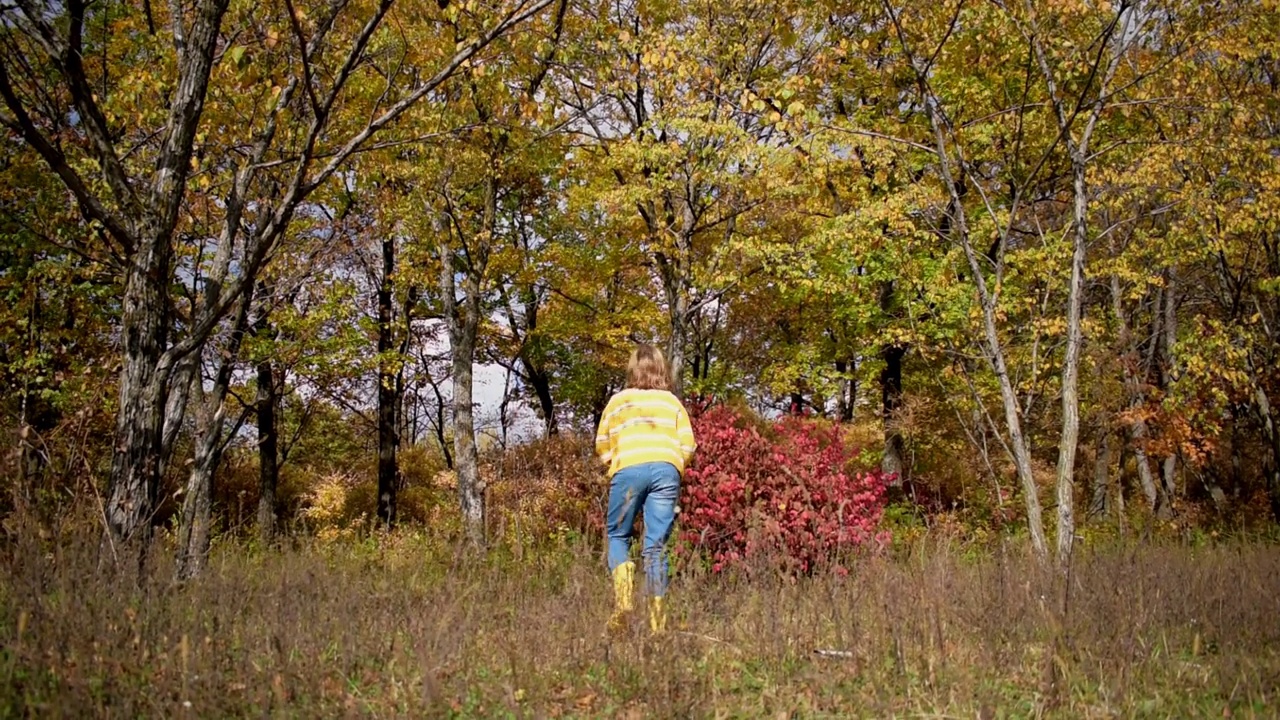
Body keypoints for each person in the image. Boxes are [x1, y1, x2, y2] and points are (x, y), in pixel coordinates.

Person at [594, 344, 697, 634]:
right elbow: (688, 444)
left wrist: (615, 462)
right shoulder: (672, 402)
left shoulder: (617, 402)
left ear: (633, 369)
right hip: (666, 470)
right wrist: (675, 466)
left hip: (628, 468)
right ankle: (657, 624)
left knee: (617, 534)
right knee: (655, 547)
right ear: (661, 369)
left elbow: (601, 443)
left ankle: (624, 605)